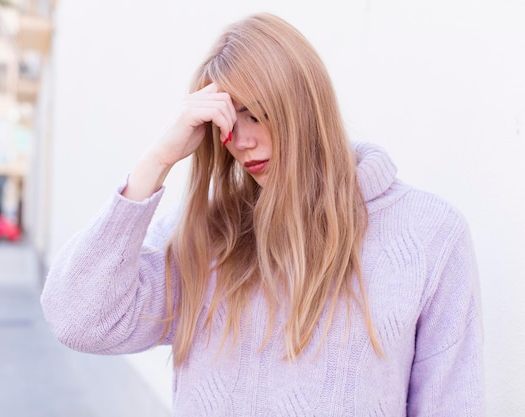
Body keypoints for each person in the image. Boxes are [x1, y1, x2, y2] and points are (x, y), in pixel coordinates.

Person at [41, 13, 484, 416]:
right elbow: (77, 319)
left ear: (305, 108)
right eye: (227, 124)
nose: (240, 141)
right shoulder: (209, 233)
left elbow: (452, 403)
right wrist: (156, 161)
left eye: (257, 115)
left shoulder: (428, 233)